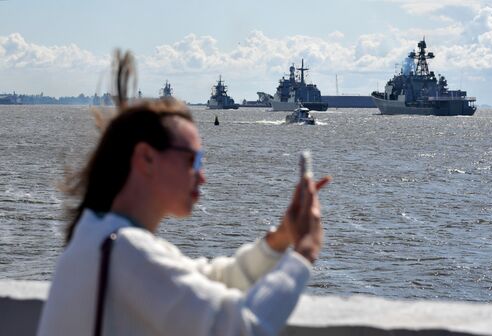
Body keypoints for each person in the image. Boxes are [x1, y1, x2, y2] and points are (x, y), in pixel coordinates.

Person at [37, 51, 330, 336]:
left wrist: (279, 240)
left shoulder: (104, 234)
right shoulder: (128, 252)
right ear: (147, 159)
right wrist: (305, 253)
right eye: (193, 160)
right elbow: (244, 328)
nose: (202, 175)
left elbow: (216, 281)